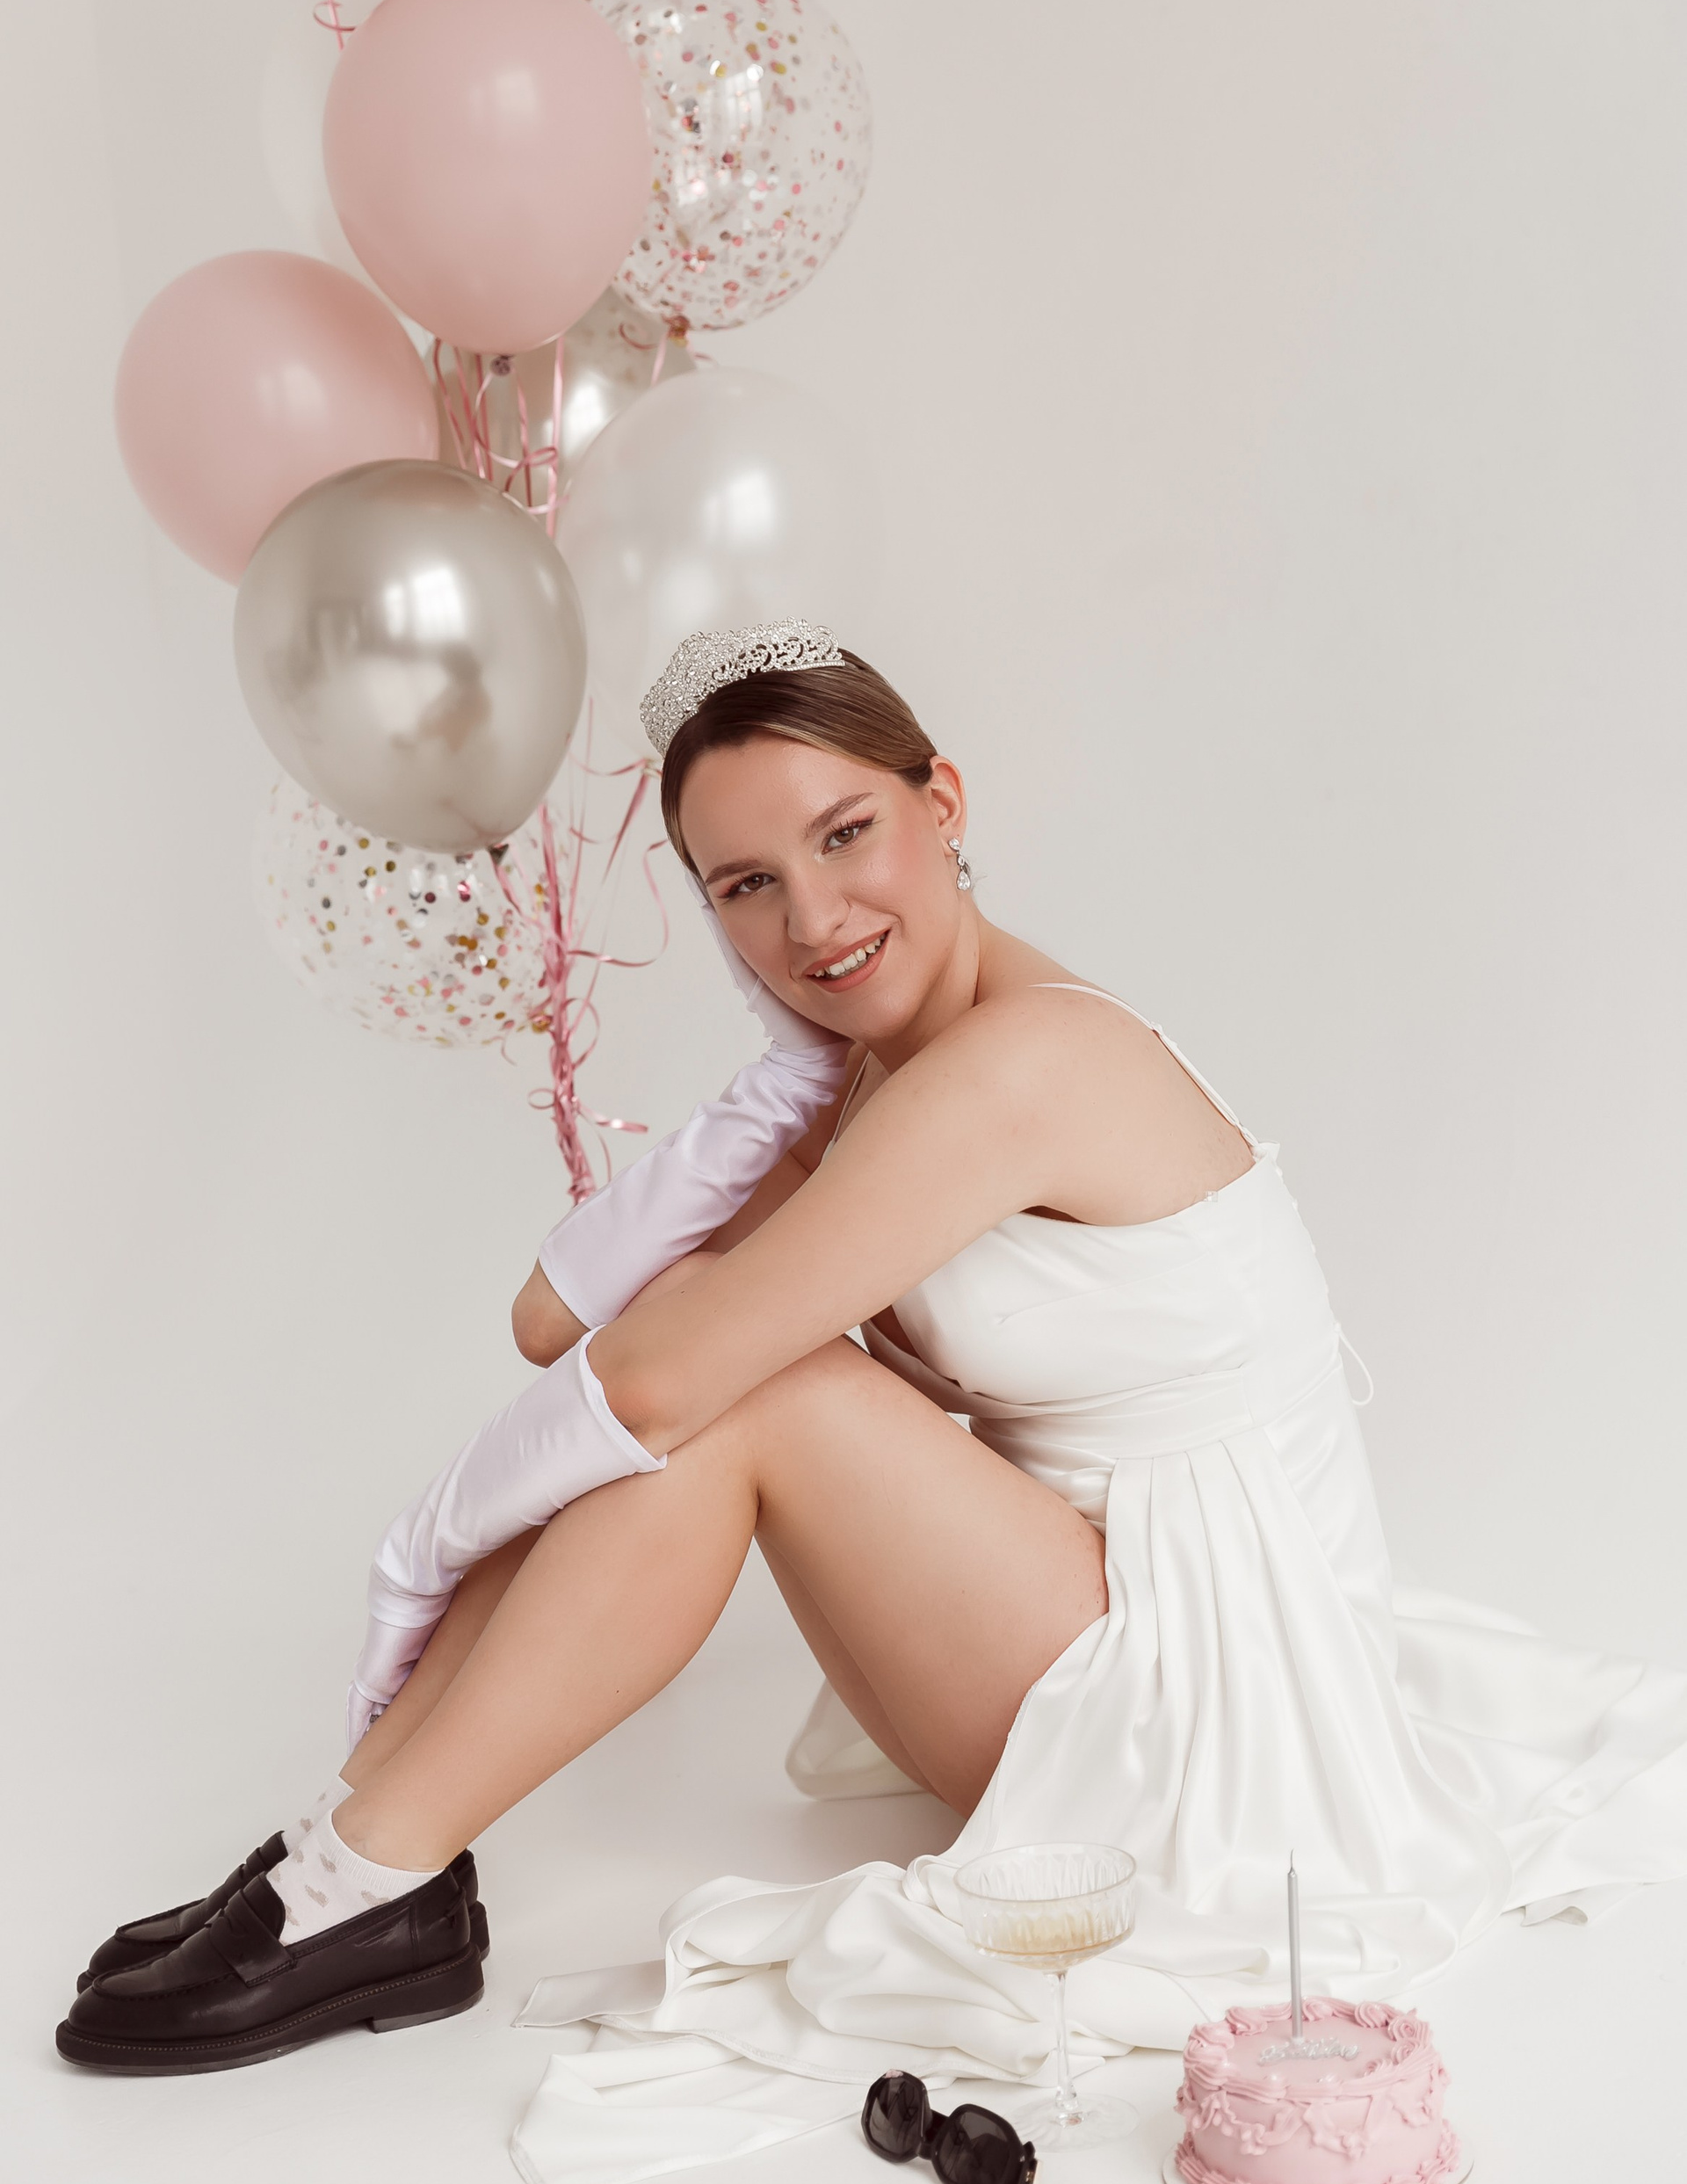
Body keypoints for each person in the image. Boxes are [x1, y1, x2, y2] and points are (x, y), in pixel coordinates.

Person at [58, 623, 1687, 2086]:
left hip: (1206, 1711)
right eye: (745, 887)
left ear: (943, 803)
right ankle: (350, 1850)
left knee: (754, 1394)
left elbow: (656, 1376)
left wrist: (429, 1538)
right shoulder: (861, 1080)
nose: (815, 919)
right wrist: (766, 1098)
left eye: (846, 836)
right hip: (1056, 1659)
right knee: (707, 1394)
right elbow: (560, 1324)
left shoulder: (1022, 1066)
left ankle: (369, 1876)